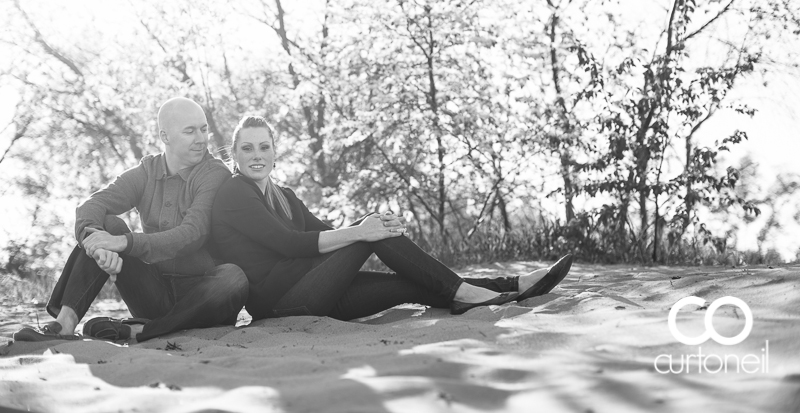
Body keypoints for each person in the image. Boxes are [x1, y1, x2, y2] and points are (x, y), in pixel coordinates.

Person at [211, 115, 572, 322]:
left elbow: (324, 233)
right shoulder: (234, 192)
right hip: (281, 305)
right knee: (370, 229)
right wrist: (367, 230)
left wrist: (365, 231)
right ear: (236, 155)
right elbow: (290, 243)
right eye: (247, 148)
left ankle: (512, 285)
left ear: (275, 152)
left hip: (320, 295)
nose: (256, 155)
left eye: (263, 147)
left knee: (412, 283)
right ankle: (469, 291)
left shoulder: (284, 196)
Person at [14, 97, 249, 343]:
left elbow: (192, 234)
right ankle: (65, 323)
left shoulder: (213, 173)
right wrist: (97, 244)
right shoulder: (147, 172)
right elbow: (92, 205)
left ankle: (141, 330)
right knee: (105, 226)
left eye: (204, 129)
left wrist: (124, 243)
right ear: (165, 136)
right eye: (190, 131)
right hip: (152, 294)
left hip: (204, 299)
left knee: (233, 277)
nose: (201, 139)